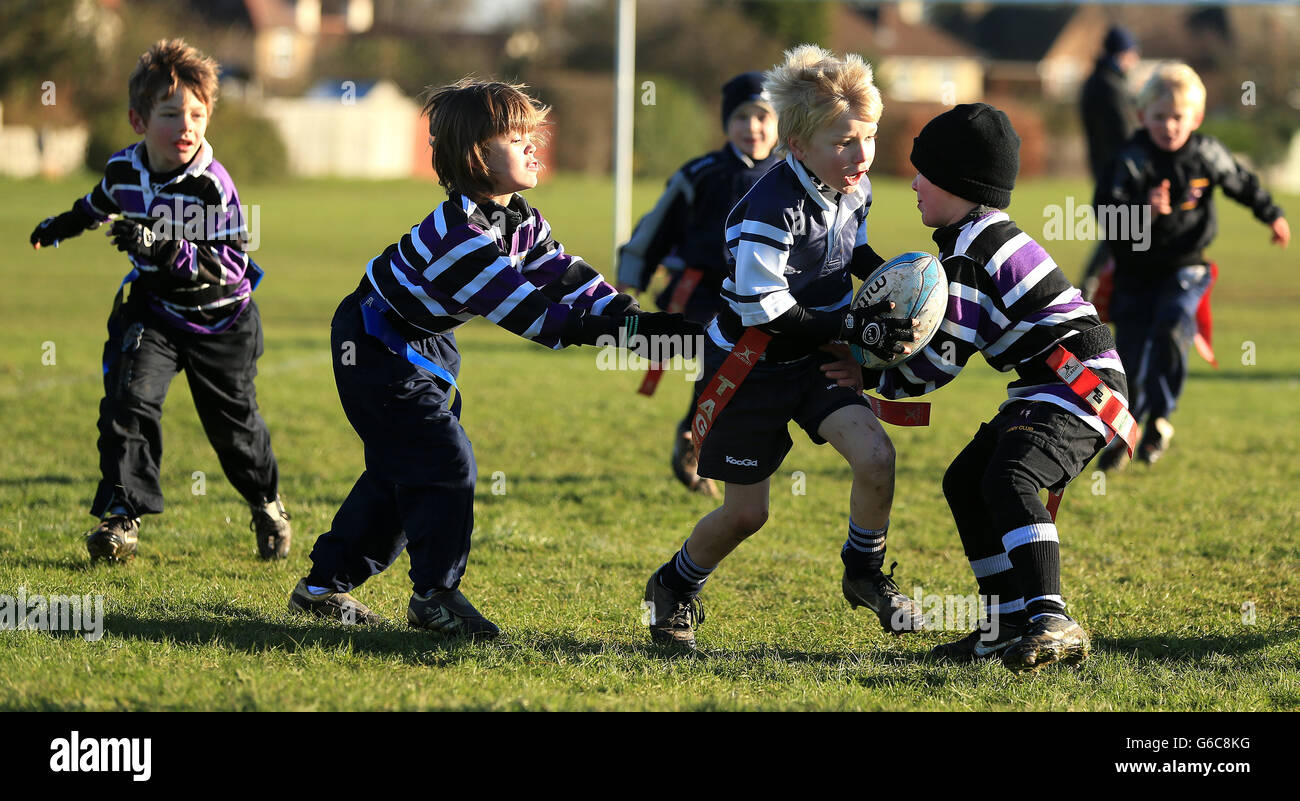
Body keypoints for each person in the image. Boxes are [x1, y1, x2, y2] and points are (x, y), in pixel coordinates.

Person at [287, 79, 697, 637]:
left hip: (423, 343)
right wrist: (637, 332)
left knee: (401, 470)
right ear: (477, 155)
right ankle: (435, 596)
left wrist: (632, 318)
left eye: (533, 133)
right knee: (443, 461)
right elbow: (538, 317)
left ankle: (320, 589)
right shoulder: (460, 239)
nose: (533, 146)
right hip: (374, 346)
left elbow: (566, 278)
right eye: (516, 136)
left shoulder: (517, 217)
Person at [639, 45, 925, 651]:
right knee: (747, 515)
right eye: (844, 141)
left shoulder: (854, 185)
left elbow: (854, 255)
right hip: (751, 365)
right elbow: (765, 310)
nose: (861, 154)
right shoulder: (770, 210)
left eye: (868, 137)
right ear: (797, 146)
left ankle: (864, 572)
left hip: (812, 354)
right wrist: (851, 330)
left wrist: (904, 280)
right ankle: (673, 586)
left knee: (877, 457)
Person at [830, 103, 1133, 672]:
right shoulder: (971, 236)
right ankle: (1006, 625)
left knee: (1011, 476)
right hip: (1053, 384)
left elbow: (944, 359)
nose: (914, 183)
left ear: (960, 184)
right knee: (967, 480)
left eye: (926, 174)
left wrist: (870, 375)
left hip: (1078, 387)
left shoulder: (971, 252)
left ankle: (1051, 618)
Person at [28, 39, 291, 563]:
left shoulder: (214, 187)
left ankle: (266, 503)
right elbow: (100, 203)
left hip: (222, 321)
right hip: (155, 310)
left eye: (198, 113)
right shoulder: (125, 169)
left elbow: (233, 267)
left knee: (234, 431)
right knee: (127, 401)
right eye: (171, 114)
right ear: (138, 120)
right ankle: (121, 518)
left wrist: (168, 248)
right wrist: (63, 225)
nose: (187, 126)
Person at [1095, 63, 1289, 471]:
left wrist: (1272, 214)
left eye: (1178, 117)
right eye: (1159, 117)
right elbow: (1105, 215)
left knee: (1172, 325)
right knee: (1129, 360)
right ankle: (1126, 431)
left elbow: (1241, 181)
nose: (1169, 126)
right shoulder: (1130, 160)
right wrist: (1142, 212)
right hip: (1135, 275)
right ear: (1141, 116)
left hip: (1187, 269)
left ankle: (1161, 420)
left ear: (1196, 118)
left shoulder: (1206, 153)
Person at [617, 72, 779, 497]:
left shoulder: (791, 175)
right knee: (718, 361)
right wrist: (631, 279)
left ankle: (707, 439)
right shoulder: (701, 173)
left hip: (766, 299)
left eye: (763, 116)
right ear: (727, 123)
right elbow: (655, 229)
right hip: (703, 293)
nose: (753, 127)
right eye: (742, 117)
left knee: (748, 376)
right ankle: (693, 440)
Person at [1078, 25, 1141, 298]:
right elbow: (1127, 133)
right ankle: (1093, 287)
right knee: (1123, 232)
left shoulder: (1097, 81)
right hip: (1118, 174)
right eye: (1132, 53)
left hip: (1104, 170)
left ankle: (1094, 286)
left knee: (1120, 232)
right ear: (1123, 54)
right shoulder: (1111, 86)